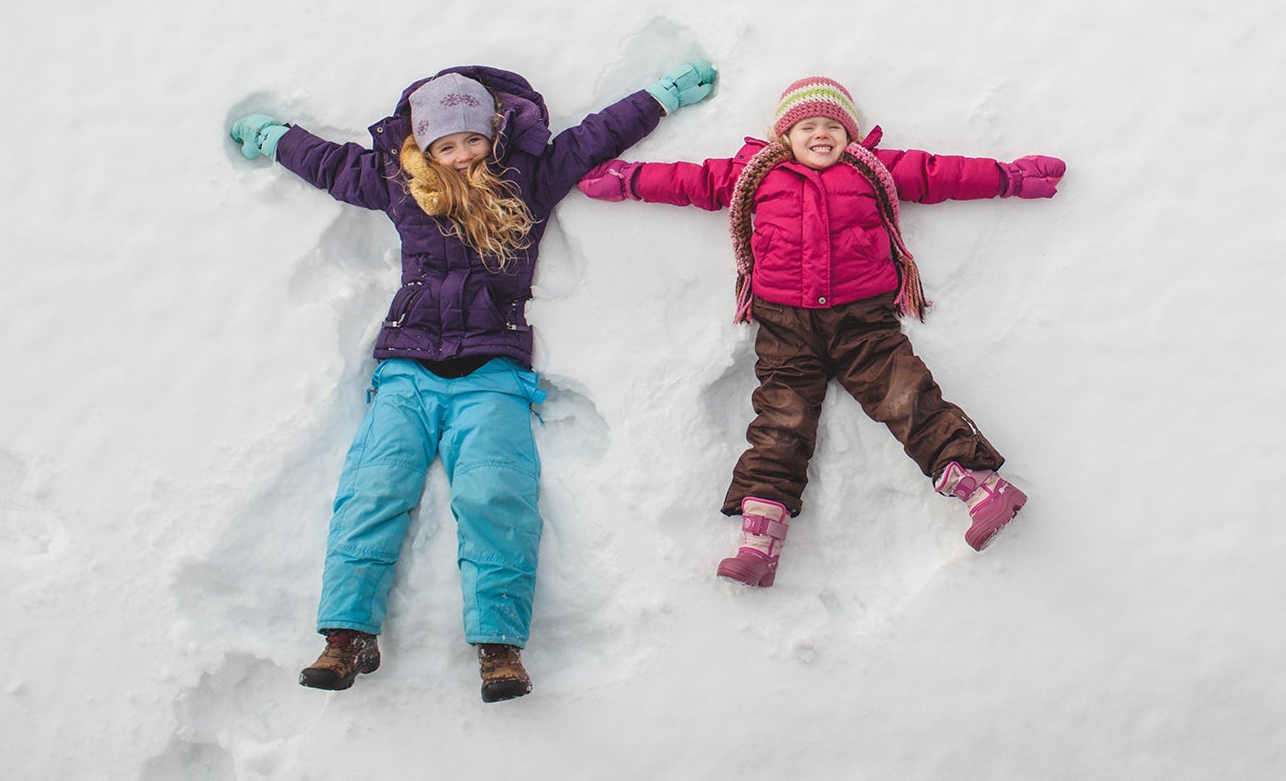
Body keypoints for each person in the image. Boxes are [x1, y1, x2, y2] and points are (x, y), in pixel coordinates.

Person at [227, 60, 716, 700]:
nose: (461, 157)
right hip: (406, 368)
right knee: (373, 490)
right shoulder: (399, 181)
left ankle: (499, 647)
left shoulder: (529, 178)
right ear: (424, 144)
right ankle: (345, 636)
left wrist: (662, 95)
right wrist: (275, 138)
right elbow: (331, 165)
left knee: (496, 497)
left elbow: (597, 136)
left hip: (494, 371)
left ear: (493, 131)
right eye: (446, 145)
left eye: (472, 140)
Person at [577, 75, 1064, 587]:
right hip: (785, 327)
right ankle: (760, 541)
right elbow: (687, 181)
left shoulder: (874, 168)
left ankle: (984, 490)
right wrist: (627, 180)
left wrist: (1009, 177)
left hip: (863, 322)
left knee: (908, 397)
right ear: (783, 136)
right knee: (781, 422)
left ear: (849, 134)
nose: (820, 134)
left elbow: (942, 174)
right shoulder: (752, 172)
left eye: (832, 125)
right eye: (806, 125)